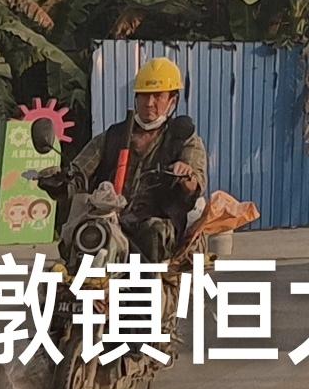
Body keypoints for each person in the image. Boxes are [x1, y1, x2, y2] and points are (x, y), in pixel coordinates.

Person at [68, 56, 206, 264]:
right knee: (82, 236)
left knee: (153, 232)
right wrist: (60, 179)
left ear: (172, 100)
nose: (149, 103)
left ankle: (148, 283)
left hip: (160, 220)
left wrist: (186, 175)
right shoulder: (114, 135)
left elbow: (195, 181)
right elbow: (79, 171)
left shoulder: (183, 139)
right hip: (111, 217)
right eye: (143, 96)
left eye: (157, 96)